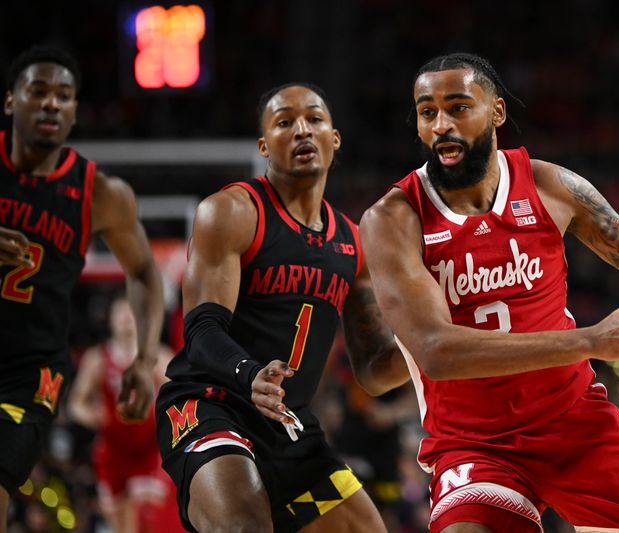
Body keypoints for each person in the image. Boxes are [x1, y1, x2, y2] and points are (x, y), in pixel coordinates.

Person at [359, 52, 619, 533]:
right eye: (428, 112)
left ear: (496, 112)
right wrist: (594, 341)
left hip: (573, 423)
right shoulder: (393, 220)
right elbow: (436, 350)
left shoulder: (549, 186)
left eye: (458, 107)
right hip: (475, 443)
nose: (441, 124)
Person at [155, 82, 408, 533]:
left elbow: (373, 371)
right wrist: (249, 374)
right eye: (284, 122)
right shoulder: (231, 212)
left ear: (335, 138)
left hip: (289, 426)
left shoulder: (353, 244)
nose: (301, 131)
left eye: (314, 119)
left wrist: (427, 344)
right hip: (211, 405)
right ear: (263, 145)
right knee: (244, 523)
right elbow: (202, 329)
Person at [0, 45, 164, 532]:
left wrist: (144, 357)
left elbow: (144, 273)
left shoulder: (101, 193)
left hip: (29, 374)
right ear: (11, 101)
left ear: (74, 112)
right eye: (39, 91)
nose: (52, 103)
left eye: (64, 96)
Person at [68, 295, 182, 533]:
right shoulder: (97, 358)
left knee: (149, 513)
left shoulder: (158, 357)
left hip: (149, 446)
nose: (127, 320)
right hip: (113, 448)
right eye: (121, 314)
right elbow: (75, 404)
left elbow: (182, 395)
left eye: (132, 314)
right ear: (110, 320)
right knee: (119, 521)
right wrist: (93, 415)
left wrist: (165, 413)